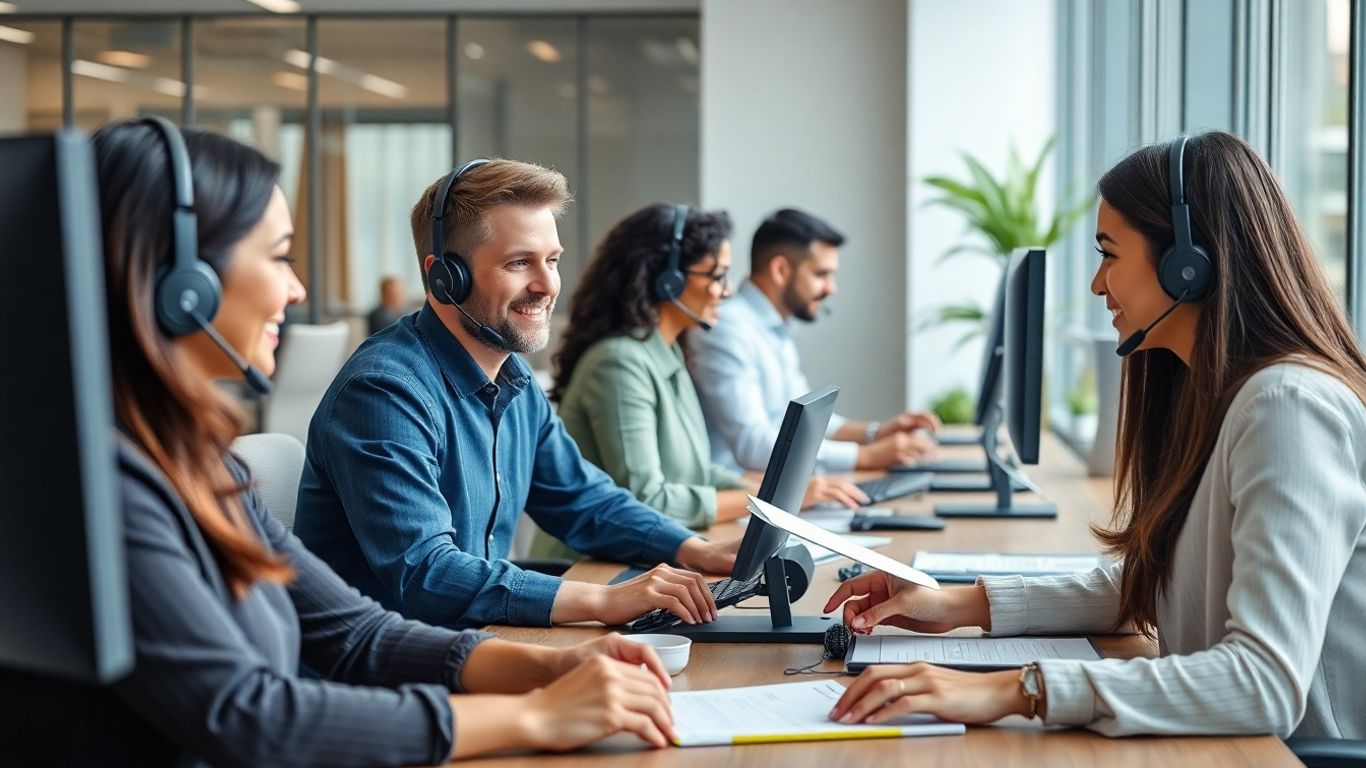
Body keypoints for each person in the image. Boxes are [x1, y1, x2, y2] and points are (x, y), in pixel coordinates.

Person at [0, 120, 682, 766]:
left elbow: (356, 632)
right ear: (184, 288)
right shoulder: (103, 486)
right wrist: (537, 715)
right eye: (279, 257)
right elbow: (251, 718)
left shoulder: (195, 461)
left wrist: (552, 665)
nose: (297, 289)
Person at [823, 131, 1366, 739]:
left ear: (1187, 264)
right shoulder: (1215, 396)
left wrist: (1018, 689)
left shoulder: (1288, 409)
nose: (1096, 284)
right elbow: (1158, 580)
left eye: (1109, 253)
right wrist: (957, 604)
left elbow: (1262, 681)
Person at [293, 160, 739, 632]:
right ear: (445, 277)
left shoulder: (513, 378)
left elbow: (582, 499)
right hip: (388, 677)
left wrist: (695, 550)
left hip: (469, 645)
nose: (548, 286)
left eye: (552, 260)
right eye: (519, 262)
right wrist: (603, 600)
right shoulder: (384, 393)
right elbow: (426, 572)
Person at [528, 205, 868, 560]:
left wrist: (777, 495)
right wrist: (769, 503)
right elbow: (649, 500)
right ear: (668, 280)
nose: (725, 291)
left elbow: (695, 471)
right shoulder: (618, 363)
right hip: (589, 568)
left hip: (650, 556)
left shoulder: (668, 352)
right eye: (716, 276)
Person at [687, 207, 940, 473]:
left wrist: (876, 433)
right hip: (743, 498)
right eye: (821, 274)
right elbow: (753, 445)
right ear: (781, 270)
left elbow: (804, 424)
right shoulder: (727, 328)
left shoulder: (775, 327)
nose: (832, 288)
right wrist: (866, 456)